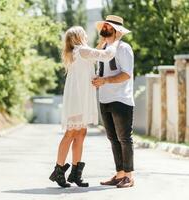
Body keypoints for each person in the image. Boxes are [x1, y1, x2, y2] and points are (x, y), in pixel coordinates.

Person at [49, 26, 121, 188]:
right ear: (79, 37)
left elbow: (92, 55)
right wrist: (115, 41)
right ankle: (58, 170)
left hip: (82, 96)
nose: (87, 35)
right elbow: (106, 55)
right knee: (71, 132)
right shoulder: (81, 50)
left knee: (81, 133)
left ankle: (75, 173)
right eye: (84, 33)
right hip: (77, 98)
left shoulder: (81, 52)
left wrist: (101, 43)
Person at [92, 15, 135, 188]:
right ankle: (119, 175)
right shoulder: (103, 48)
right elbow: (102, 72)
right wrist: (98, 80)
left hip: (121, 99)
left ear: (117, 31)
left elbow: (126, 74)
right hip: (104, 99)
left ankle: (129, 176)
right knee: (112, 138)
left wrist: (106, 81)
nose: (104, 28)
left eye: (108, 27)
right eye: (104, 25)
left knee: (124, 138)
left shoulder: (124, 48)